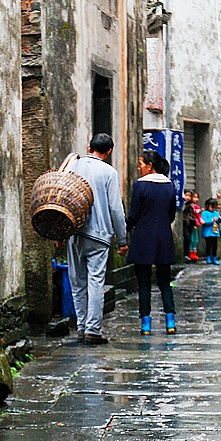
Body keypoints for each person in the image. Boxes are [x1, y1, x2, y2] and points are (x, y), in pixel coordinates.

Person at [65, 133, 128, 345]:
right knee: (95, 281)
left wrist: (59, 234)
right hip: (99, 235)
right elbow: (115, 209)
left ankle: (81, 327)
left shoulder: (73, 167)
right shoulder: (109, 172)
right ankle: (93, 329)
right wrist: (122, 239)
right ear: (108, 152)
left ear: (89, 146)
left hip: (74, 232)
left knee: (77, 282)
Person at [127, 150, 177, 335]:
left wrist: (126, 228)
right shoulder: (170, 185)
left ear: (150, 165)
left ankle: (146, 324)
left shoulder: (140, 186)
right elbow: (171, 215)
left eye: (141, 163)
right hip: (164, 237)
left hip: (143, 237)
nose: (139, 167)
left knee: (144, 282)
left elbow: (133, 215)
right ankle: (170, 321)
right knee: (165, 281)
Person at [199, 197, 221, 264]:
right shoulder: (204, 213)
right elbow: (204, 222)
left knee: (215, 246)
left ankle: (214, 258)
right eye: (212, 207)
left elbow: (220, 220)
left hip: (215, 232)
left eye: (214, 207)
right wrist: (211, 220)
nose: (213, 208)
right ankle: (208, 257)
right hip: (208, 232)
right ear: (207, 205)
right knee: (208, 245)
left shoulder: (215, 212)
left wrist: (219, 219)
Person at [182, 190, 199, 261]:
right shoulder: (182, 204)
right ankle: (185, 254)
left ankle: (188, 254)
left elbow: (193, 215)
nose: (188, 197)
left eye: (189, 196)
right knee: (187, 237)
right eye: (186, 195)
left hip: (190, 224)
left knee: (189, 239)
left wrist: (195, 224)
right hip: (184, 224)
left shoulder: (191, 205)